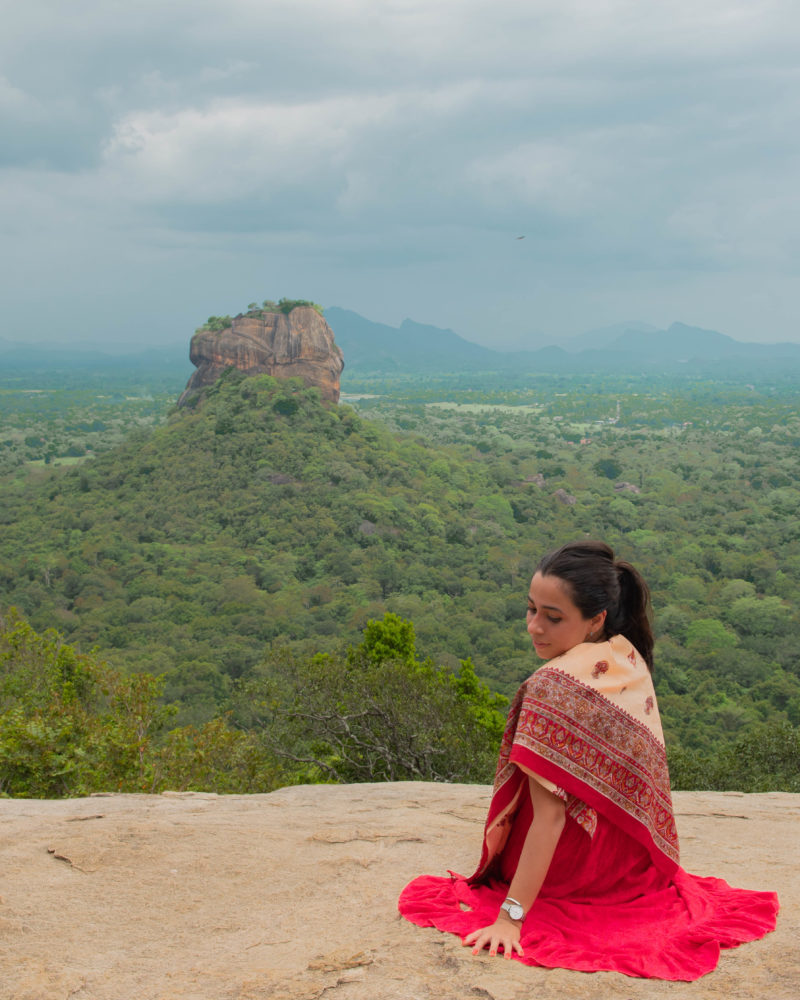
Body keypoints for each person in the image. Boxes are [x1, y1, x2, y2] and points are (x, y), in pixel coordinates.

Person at [398, 540, 779, 981]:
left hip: (572, 872)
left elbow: (550, 819)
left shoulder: (553, 686)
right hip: (629, 867)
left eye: (552, 617)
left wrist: (510, 917)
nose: (533, 627)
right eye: (531, 610)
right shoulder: (625, 657)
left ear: (596, 619)